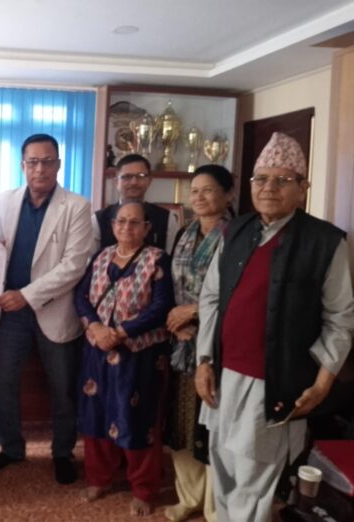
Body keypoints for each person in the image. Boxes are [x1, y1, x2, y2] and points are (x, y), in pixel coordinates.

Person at [195, 132, 354, 522]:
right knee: (222, 466)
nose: (269, 188)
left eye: (283, 180)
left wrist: (323, 383)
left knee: (254, 479)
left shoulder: (325, 242)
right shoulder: (234, 231)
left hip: (274, 382)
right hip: (224, 374)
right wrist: (204, 360)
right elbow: (211, 297)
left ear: (303, 188)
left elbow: (340, 318)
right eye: (261, 179)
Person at [0, 133, 93, 485]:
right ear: (23, 165)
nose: (40, 169)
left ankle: (62, 452)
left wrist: (27, 295)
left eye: (47, 162)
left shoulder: (77, 206)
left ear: (58, 165)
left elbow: (74, 266)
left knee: (62, 387)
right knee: (4, 382)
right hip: (11, 310)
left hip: (54, 308)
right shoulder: (7, 200)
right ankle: (11, 447)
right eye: (33, 162)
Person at [76, 201, 173, 516]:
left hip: (139, 354)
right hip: (98, 350)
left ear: (147, 228)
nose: (126, 228)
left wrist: (120, 332)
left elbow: (161, 306)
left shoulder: (157, 259)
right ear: (112, 226)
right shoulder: (101, 256)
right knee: (96, 414)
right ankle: (98, 478)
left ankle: (143, 489)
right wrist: (95, 326)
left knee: (137, 419)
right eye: (121, 222)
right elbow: (81, 296)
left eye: (134, 222)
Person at [164, 165, 234, 522]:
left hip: (220, 343)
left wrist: (195, 311)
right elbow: (170, 286)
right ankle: (189, 496)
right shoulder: (184, 232)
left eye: (208, 190)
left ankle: (215, 507)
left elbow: (240, 292)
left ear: (228, 194)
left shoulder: (239, 235)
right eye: (194, 191)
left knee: (214, 426)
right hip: (182, 343)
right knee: (182, 424)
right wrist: (177, 324)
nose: (199, 197)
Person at [93, 154, 179, 253]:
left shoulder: (167, 219)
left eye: (140, 176)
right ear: (116, 182)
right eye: (127, 177)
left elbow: (172, 258)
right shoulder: (98, 220)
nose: (134, 182)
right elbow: (90, 260)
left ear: (149, 181)